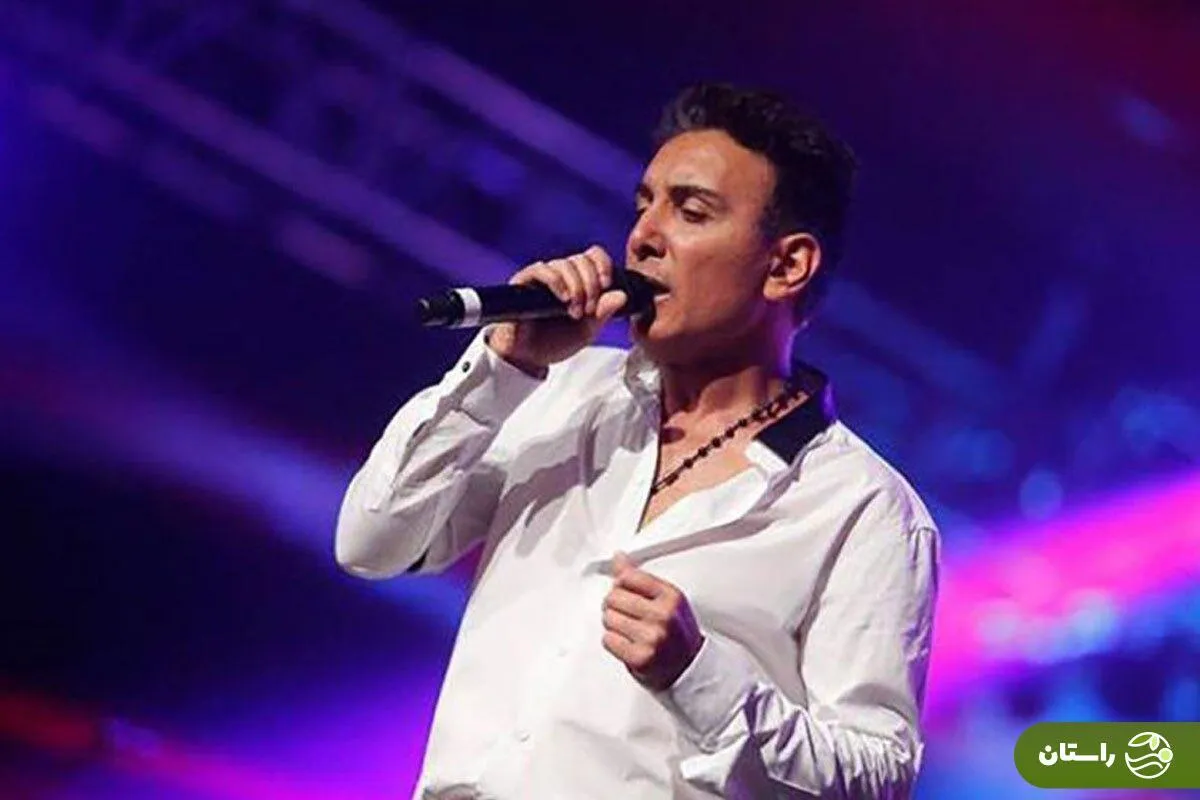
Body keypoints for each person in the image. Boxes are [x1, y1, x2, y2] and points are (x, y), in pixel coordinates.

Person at [335, 82, 940, 799]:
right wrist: (504, 366)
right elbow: (372, 542)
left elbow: (874, 776)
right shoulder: (555, 388)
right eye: (644, 204)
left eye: (691, 211)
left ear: (786, 266)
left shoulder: (864, 510)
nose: (644, 236)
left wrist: (700, 676)